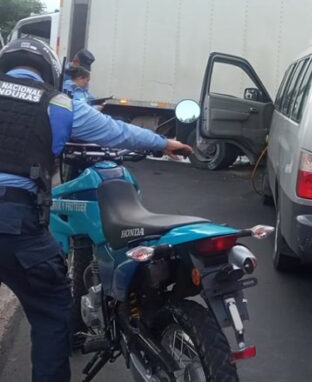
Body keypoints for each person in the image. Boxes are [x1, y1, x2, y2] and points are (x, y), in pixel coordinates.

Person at [0, 38, 192, 382]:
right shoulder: (58, 104)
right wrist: (164, 143)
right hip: (17, 227)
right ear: (49, 72)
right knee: (50, 310)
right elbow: (117, 133)